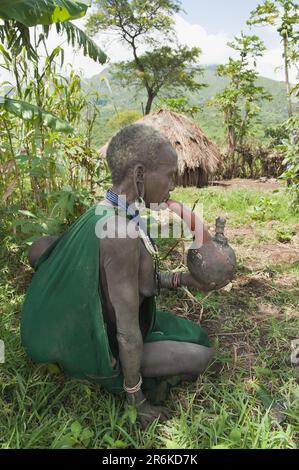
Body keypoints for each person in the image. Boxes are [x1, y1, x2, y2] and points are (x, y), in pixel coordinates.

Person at [21, 124, 214, 429]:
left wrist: (185, 280)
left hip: (44, 328)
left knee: (193, 333)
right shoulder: (120, 231)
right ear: (139, 174)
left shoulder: (108, 209)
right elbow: (126, 332)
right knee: (200, 355)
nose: (172, 185)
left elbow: (138, 279)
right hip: (89, 343)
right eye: (169, 174)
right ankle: (104, 370)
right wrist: (137, 399)